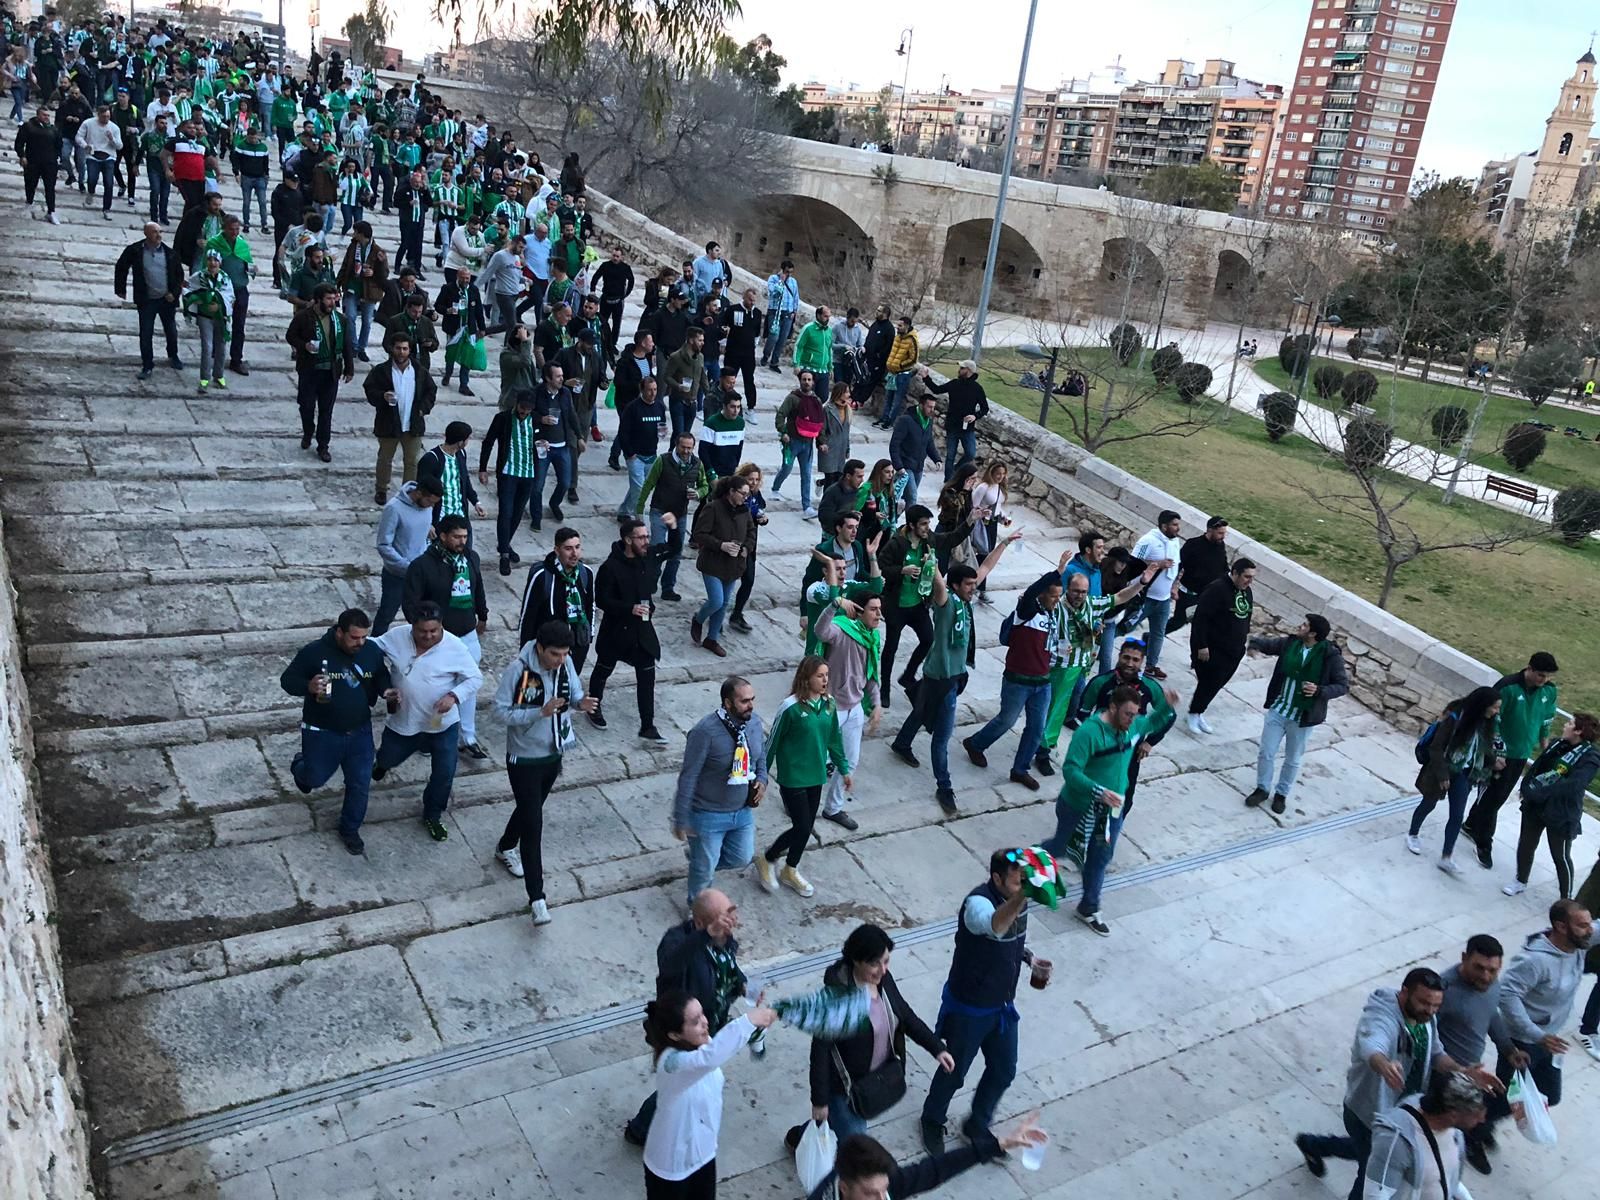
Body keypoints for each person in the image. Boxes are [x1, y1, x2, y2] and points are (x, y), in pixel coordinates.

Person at [1293, 967, 1497, 1199]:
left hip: (1406, 1110)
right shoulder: (1381, 1015)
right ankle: (1313, 1145)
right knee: (1370, 1176)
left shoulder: (1425, 1018)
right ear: (1404, 992)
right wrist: (1384, 1064)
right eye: (1424, 1003)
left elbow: (1436, 1054)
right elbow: (1372, 1044)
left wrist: (1463, 1071)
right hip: (1370, 1113)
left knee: (1369, 1151)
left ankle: (1313, 1145)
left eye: (1435, 1006)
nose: (1430, 1011)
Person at [966, 558, 1156, 792]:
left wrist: (1141, 583)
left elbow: (1118, 598)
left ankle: (1023, 766)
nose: (1078, 596)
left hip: (1062, 672)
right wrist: (1056, 572)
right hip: (1038, 673)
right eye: (1074, 591)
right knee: (1009, 719)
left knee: (1046, 720)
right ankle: (977, 743)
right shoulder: (1039, 611)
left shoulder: (1086, 605)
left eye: (1083, 592)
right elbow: (1029, 600)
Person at [786, 924, 952, 1147]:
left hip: (873, 1080)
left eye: (886, 961)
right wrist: (819, 1101)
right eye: (874, 963)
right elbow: (820, 1053)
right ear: (856, 960)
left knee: (833, 1125)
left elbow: (905, 1016)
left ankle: (800, 1137)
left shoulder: (883, 981)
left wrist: (936, 1048)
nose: (883, 970)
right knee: (857, 1145)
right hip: (846, 1090)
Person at [920, 849, 1038, 1155]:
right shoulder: (977, 904)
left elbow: (1010, 937)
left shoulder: (1016, 900)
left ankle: (977, 1123)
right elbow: (995, 926)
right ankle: (932, 1118)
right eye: (1016, 883)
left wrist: (1029, 958)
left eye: (1024, 881)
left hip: (1001, 1006)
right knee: (954, 1070)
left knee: (1004, 1069)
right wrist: (1021, 897)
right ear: (996, 878)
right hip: (969, 1007)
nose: (1022, 887)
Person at [890, 538, 1019, 816]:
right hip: (942, 679)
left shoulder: (965, 598)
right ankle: (944, 786)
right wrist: (932, 561)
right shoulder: (946, 603)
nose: (975, 588)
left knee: (921, 710)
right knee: (942, 737)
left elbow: (984, 567)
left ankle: (902, 743)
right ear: (956, 586)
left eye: (974, 585)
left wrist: (1005, 543)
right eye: (970, 585)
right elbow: (939, 584)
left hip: (952, 676)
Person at [1042, 677, 1176, 935]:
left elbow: (1153, 722)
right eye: (1127, 713)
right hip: (1079, 806)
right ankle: (1023, 866)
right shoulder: (1089, 733)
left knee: (1100, 856)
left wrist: (1167, 707)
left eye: (1134, 714)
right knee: (1062, 847)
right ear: (1112, 708)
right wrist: (1097, 791)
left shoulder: (1133, 725)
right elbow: (1070, 771)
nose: (1131, 720)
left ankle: (1089, 907)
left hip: (1112, 809)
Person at [626, 889, 752, 1145]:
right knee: (679, 1082)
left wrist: (742, 984)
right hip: (682, 1033)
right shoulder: (677, 942)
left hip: (709, 1025)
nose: (730, 926)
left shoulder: (722, 940)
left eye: (730, 916)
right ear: (699, 924)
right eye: (722, 920)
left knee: (693, 1078)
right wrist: (705, 936)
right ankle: (640, 1129)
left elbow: (727, 967)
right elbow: (671, 964)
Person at [493, 619, 596, 925]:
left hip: (553, 753)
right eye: (555, 654)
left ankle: (504, 846)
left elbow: (574, 696)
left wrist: (582, 704)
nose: (560, 660)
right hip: (524, 757)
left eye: (565, 654)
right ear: (539, 648)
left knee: (530, 809)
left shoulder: (565, 667)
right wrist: (539, 712)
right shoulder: (518, 670)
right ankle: (537, 898)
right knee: (534, 824)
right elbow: (499, 712)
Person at [639, 989, 777, 1199]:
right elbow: (709, 1058)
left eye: (702, 1014)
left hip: (703, 1154)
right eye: (695, 1021)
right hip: (671, 1164)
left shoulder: (703, 1043)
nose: (705, 1022)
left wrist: (745, 994)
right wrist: (747, 1021)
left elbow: (722, 1045)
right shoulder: (672, 1063)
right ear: (675, 1035)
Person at [1482, 900, 1594, 1149]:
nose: (1590, 930)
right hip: (1522, 1042)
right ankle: (1474, 1128)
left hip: (1548, 1039)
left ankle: (1482, 1117)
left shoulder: (1578, 943)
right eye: (1583, 925)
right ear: (1561, 927)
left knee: (1548, 1094)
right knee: (1510, 1095)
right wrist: (1536, 1033)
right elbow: (1507, 995)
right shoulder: (1534, 961)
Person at [279, 608, 391, 855]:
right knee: (314, 779)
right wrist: (307, 686)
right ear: (340, 633)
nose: (360, 643)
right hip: (322, 732)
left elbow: (381, 674)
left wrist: (386, 691)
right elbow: (287, 681)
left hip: (360, 732)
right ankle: (301, 767)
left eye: (363, 637)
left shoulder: (370, 650)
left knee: (360, 783)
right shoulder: (314, 652)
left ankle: (350, 829)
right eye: (354, 638)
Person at [370, 602, 484, 842]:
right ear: (412, 626)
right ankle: (381, 764)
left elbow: (475, 678)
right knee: (389, 756)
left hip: (442, 725)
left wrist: (454, 696)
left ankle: (432, 814)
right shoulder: (396, 637)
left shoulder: (455, 646)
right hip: (404, 720)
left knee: (444, 774)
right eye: (423, 631)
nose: (429, 636)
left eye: (434, 631)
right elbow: (371, 647)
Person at [755, 656, 851, 898]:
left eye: (826, 675)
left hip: (816, 775)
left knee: (805, 828)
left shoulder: (828, 704)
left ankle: (790, 869)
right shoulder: (790, 707)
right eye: (820, 675)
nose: (825, 680)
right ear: (806, 678)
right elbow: (772, 742)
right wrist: (762, 778)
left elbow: (834, 740)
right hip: (793, 776)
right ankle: (767, 858)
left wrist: (844, 768)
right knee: (803, 826)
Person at [1462, 651, 1560, 870]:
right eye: (1541, 675)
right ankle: (1484, 843)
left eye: (1547, 677)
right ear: (1529, 668)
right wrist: (1496, 754)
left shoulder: (1549, 691)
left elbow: (1546, 719)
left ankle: (1470, 825)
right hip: (1500, 754)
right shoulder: (1507, 688)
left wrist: (1545, 747)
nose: (1544, 681)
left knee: (1499, 795)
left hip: (1521, 754)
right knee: (1493, 798)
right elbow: (1492, 723)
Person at [673, 680, 768, 905]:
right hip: (708, 814)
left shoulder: (753, 723)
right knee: (704, 873)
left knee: (741, 857)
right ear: (727, 703)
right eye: (744, 701)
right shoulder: (704, 732)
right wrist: (680, 818)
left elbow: (761, 754)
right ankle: (696, 911)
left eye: (752, 699)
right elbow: (688, 776)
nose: (751, 705)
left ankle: (699, 859)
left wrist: (762, 779)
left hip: (741, 811)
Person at [403, 516, 489, 760]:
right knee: (435, 688)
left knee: (468, 685)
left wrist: (482, 614)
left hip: (467, 633)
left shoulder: (471, 558)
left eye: (465, 536)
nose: (463, 541)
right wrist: (424, 633)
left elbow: (478, 588)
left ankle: (467, 736)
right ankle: (427, 734)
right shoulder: (421, 566)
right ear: (442, 536)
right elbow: (411, 603)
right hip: (439, 638)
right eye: (457, 537)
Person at [1433, 934, 1520, 1176]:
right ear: (1464, 958)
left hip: (1472, 1071)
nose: (1486, 976)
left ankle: (1473, 1136)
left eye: (1492, 970)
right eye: (1479, 968)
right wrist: (1452, 1069)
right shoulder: (1443, 989)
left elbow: (1491, 1015)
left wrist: (1508, 1048)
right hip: (1444, 1074)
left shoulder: (1491, 985)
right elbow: (1426, 1034)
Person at [1245, 615, 1349, 815]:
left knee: (1293, 758)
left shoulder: (1330, 655)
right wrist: (1255, 645)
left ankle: (1281, 794)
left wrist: (1319, 690)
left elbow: (1342, 686)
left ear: (1313, 633)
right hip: (1279, 709)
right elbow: (1269, 644)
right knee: (1266, 751)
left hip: (1303, 717)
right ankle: (1262, 788)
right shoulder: (1291, 644)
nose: (1299, 626)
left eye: (1304, 625)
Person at [806, 1119, 1041, 1200]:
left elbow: (934, 1170)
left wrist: (997, 1144)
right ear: (844, 1188)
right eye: (870, 1193)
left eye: (884, 1190)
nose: (882, 1198)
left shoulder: (884, 1188)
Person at [877, 505, 968, 709]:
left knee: (928, 639)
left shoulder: (929, 541)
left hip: (918, 605)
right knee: (890, 648)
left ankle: (908, 675)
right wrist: (902, 570)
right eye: (924, 524)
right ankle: (884, 690)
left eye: (928, 523)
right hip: (897, 606)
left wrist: (970, 521)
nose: (928, 527)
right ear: (911, 525)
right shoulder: (896, 544)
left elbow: (951, 538)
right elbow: (881, 566)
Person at [588, 518, 669, 744]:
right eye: (641, 537)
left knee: (647, 677)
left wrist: (673, 528)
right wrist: (629, 608)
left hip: (642, 630)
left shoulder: (647, 557)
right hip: (616, 631)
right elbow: (602, 600)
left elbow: (672, 549)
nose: (646, 541)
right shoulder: (609, 567)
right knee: (603, 670)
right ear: (627, 540)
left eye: (646, 536)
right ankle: (593, 706)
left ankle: (647, 725)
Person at [1408, 686, 1504, 875]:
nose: (1496, 712)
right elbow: (1436, 748)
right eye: (1494, 707)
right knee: (1429, 803)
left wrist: (1492, 761)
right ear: (1483, 705)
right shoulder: (1454, 718)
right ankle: (1412, 833)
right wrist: (1443, 775)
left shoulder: (1486, 724)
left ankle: (1446, 857)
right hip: (1443, 769)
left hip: (1464, 773)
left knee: (1457, 815)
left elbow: (1480, 748)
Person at [812, 589, 885, 833]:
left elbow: (872, 675)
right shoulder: (841, 629)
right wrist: (834, 604)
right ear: (860, 610)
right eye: (874, 609)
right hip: (829, 708)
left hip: (854, 709)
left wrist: (876, 703)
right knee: (816, 760)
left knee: (849, 762)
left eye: (879, 609)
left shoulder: (873, 637)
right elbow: (819, 631)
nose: (878, 614)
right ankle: (800, 802)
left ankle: (833, 807)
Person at [1506, 713, 1600, 900]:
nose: (1565, 725)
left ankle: (1566, 898)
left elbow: (1575, 784)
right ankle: (1520, 880)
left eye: (1570, 723)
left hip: (1561, 812)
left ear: (1579, 731)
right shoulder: (1558, 745)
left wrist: (1543, 793)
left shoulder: (1591, 757)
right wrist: (1526, 787)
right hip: (1535, 805)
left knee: (1560, 855)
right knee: (1526, 843)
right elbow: (1537, 767)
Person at [1362, 1070, 1487, 1200]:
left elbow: (1446, 1177)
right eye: (1476, 1115)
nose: (1482, 1119)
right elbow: (1375, 1195)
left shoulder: (1454, 1131)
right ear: (1453, 1115)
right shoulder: (1395, 1141)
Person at [1185, 557, 1258, 735]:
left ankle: (1199, 710)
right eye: (1246, 576)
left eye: (1252, 577)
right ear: (1235, 573)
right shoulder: (1217, 589)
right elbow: (1201, 619)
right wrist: (1201, 645)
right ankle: (1194, 712)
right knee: (1209, 681)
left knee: (1217, 683)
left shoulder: (1246, 592)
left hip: (1234, 649)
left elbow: (1246, 617)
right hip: (1214, 648)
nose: (1249, 581)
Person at [285, 282, 356, 462]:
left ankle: (323, 445)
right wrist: (304, 346)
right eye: (328, 299)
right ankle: (308, 432)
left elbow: (347, 344)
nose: (332, 302)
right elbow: (290, 335)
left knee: (327, 411)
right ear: (317, 300)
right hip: (309, 371)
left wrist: (349, 368)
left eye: (334, 298)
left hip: (331, 372)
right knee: (306, 405)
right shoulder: (304, 317)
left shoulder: (340, 320)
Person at [636, 430, 708, 603]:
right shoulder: (663, 460)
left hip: (680, 514)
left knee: (676, 553)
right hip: (659, 511)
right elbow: (649, 484)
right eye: (683, 447)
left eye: (689, 448)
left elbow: (705, 485)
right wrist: (639, 509)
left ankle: (668, 587)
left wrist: (698, 493)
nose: (686, 451)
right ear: (676, 445)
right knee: (656, 548)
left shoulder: (697, 464)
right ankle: (650, 583)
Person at [365, 331, 436, 506]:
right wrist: (382, 396)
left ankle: (409, 492)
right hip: (389, 423)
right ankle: (381, 489)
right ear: (391, 349)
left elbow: (431, 391)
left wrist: (422, 410)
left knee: (412, 461)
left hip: (412, 424)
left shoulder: (419, 371)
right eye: (398, 348)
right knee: (384, 458)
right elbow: (369, 389)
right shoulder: (381, 370)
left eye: (405, 348)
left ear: (409, 350)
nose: (401, 352)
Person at [688, 474, 753, 658]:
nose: (745, 498)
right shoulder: (713, 508)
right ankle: (699, 619)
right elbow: (699, 534)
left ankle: (712, 638)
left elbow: (751, 532)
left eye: (747, 494)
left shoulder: (744, 510)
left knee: (724, 603)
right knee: (716, 600)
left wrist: (745, 549)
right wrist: (721, 545)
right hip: (712, 563)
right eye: (742, 493)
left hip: (733, 564)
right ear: (731, 492)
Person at [114, 221, 185, 380]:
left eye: (160, 232)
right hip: (147, 300)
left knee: (171, 330)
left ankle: (173, 355)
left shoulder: (170, 253)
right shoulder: (135, 250)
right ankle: (147, 365)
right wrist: (120, 288)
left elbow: (179, 275)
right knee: (146, 333)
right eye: (154, 232)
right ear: (146, 233)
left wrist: (174, 293)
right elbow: (121, 266)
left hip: (166, 300)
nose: (158, 235)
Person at [373, 477, 442, 636]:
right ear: (418, 493)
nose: (431, 506)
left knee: (424, 614)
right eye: (429, 502)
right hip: (397, 575)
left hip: (422, 572)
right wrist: (406, 566)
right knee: (386, 614)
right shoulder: (394, 509)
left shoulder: (427, 507)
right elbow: (383, 544)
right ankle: (374, 646)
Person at [517, 527, 595, 665]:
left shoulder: (586, 573)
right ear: (557, 550)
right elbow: (528, 616)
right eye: (568, 548)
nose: (574, 553)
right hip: (549, 649)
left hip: (576, 646)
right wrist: (525, 653)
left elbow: (590, 606)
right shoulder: (542, 576)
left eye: (577, 547)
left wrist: (589, 637)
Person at [1118, 511, 1182, 675]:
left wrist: (1174, 586)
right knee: (1125, 627)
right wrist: (1157, 564)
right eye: (1174, 524)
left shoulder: (1175, 542)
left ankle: (1151, 665)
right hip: (1144, 598)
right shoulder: (1148, 541)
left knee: (1158, 633)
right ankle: (1099, 647)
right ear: (1164, 526)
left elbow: (1176, 567)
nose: (1178, 528)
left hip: (1164, 599)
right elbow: (1132, 563)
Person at [921, 361, 989, 480]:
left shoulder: (977, 388)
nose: (959, 370)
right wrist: (926, 378)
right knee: (950, 455)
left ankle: (955, 470)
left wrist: (975, 416)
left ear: (968, 371)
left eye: (962, 368)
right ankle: (948, 480)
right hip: (952, 426)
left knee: (970, 453)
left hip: (967, 428)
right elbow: (937, 389)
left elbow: (985, 408)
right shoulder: (954, 384)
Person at [772, 369, 825, 517]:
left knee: (806, 475)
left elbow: (819, 423)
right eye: (804, 379)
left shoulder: (817, 401)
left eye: (809, 380)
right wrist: (783, 432)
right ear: (800, 381)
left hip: (808, 444)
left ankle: (806, 507)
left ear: (813, 382)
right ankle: (775, 488)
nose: (806, 382)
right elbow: (781, 415)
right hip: (791, 442)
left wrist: (821, 442)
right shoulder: (792, 398)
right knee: (787, 468)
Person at [616, 376, 670, 520]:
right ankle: (638, 520)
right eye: (649, 390)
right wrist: (629, 453)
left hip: (651, 454)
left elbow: (662, 425)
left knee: (638, 487)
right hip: (636, 456)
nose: (653, 393)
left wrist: (663, 432)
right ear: (642, 390)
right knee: (640, 490)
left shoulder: (659, 407)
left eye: (655, 390)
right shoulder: (632, 408)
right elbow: (623, 432)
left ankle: (623, 511)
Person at [181, 248, 233, 393]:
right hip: (205, 317)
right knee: (207, 347)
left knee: (221, 347)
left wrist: (220, 305)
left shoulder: (225, 278)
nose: (212, 263)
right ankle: (204, 378)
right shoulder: (199, 276)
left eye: (215, 260)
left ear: (220, 263)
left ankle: (219, 375)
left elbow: (230, 296)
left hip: (221, 317)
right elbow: (188, 290)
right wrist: (199, 300)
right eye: (210, 259)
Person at [1166, 515, 1229, 634]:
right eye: (1220, 533)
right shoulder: (1193, 544)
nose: (1223, 536)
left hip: (1206, 595)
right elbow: (1178, 565)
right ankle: (1151, 638)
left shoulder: (1220, 546)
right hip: (1188, 594)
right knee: (1179, 621)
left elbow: (1223, 566)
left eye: (1224, 533)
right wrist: (1173, 586)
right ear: (1210, 530)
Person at [337, 219, 388, 362]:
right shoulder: (353, 247)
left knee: (367, 321)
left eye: (356, 232)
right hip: (352, 286)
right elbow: (345, 265)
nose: (353, 235)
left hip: (370, 290)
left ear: (362, 234)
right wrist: (338, 283)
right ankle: (353, 346)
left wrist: (376, 270)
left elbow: (385, 274)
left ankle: (362, 347)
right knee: (350, 317)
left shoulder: (378, 250)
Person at [727, 463, 769, 635]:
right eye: (750, 479)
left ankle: (737, 614)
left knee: (749, 580)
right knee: (726, 582)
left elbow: (760, 510)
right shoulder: (735, 497)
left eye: (756, 480)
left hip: (749, 546)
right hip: (733, 544)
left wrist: (763, 519)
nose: (753, 483)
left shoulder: (756, 495)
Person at [888, 391, 942, 507]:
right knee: (912, 497)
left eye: (933, 407)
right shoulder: (906, 420)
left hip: (919, 466)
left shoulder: (928, 422)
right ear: (921, 405)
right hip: (906, 465)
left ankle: (902, 520)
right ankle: (911, 524)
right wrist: (899, 466)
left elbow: (929, 442)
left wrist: (937, 459)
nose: (932, 410)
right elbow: (894, 444)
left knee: (908, 498)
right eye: (929, 407)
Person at [16, 103, 64, 223]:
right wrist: (22, 156)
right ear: (38, 115)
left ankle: (51, 211)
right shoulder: (28, 126)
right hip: (32, 161)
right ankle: (29, 201)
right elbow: (19, 143)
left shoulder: (54, 129)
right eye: (44, 115)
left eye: (48, 115)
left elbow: (59, 145)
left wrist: (57, 158)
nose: (46, 117)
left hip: (49, 162)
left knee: (50, 187)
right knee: (30, 183)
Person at [720, 287, 763, 411]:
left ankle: (751, 407)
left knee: (749, 380)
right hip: (733, 351)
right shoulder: (733, 310)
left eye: (754, 301)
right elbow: (723, 326)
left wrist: (754, 344)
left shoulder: (757, 313)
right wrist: (723, 343)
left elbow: (756, 333)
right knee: (728, 379)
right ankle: (723, 403)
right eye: (750, 300)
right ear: (744, 297)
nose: (752, 303)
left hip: (748, 354)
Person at [697, 376, 746, 481]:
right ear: (724, 406)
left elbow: (739, 448)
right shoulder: (712, 423)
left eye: (738, 407)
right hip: (714, 472)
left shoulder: (740, 423)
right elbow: (703, 451)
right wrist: (711, 474)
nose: (736, 411)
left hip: (731, 472)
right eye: (732, 407)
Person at [876, 316, 920, 429]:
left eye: (900, 326)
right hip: (892, 373)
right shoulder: (897, 337)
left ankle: (890, 422)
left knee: (897, 400)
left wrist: (900, 366)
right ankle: (884, 418)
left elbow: (913, 358)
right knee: (888, 397)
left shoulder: (912, 340)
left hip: (902, 375)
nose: (897, 327)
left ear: (906, 326)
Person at [665, 327, 707, 438]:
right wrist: (678, 386)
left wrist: (709, 394)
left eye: (703, 340)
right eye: (700, 340)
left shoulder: (700, 357)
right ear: (691, 340)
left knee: (684, 436)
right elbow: (667, 377)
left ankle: (673, 452)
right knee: (679, 434)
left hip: (692, 402)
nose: (702, 343)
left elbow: (703, 377)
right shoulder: (676, 357)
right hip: (678, 401)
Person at [761, 259, 800, 370]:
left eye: (791, 272)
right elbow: (772, 293)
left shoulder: (793, 282)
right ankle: (766, 355)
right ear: (782, 270)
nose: (789, 274)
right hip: (775, 312)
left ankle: (774, 362)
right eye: (787, 272)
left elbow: (796, 296)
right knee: (773, 336)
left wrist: (795, 311)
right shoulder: (773, 279)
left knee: (782, 339)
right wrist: (781, 282)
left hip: (788, 314)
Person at [793, 306, 835, 400]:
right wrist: (796, 364)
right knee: (807, 397)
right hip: (809, 369)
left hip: (823, 370)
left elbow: (829, 350)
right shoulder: (808, 328)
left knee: (823, 397)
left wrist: (830, 367)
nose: (828, 319)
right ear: (818, 315)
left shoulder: (829, 331)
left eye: (829, 316)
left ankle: (816, 414)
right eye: (825, 316)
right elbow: (798, 346)